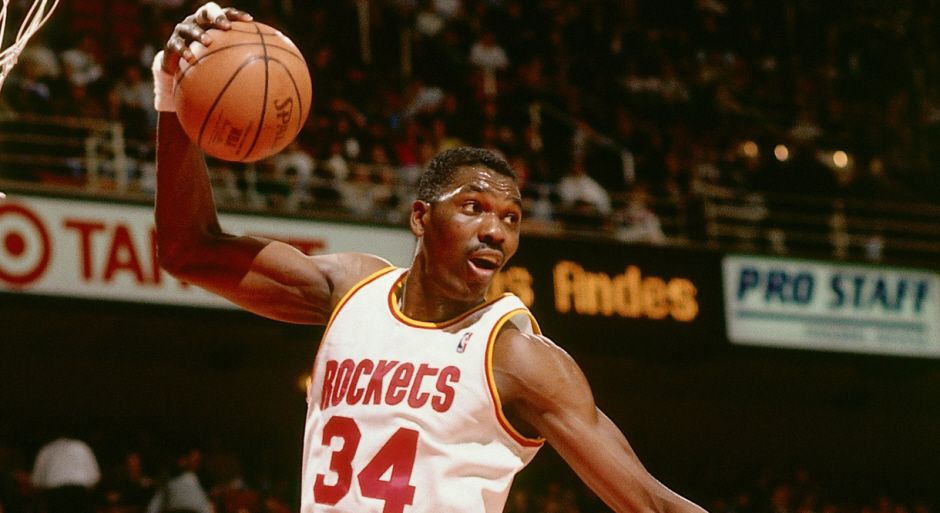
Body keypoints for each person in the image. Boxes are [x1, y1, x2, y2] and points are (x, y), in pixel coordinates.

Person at [152, 4, 708, 513]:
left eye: (510, 218)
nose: (495, 230)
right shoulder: (352, 291)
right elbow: (188, 249)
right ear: (421, 218)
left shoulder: (517, 356)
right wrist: (174, 98)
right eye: (474, 207)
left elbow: (652, 504)